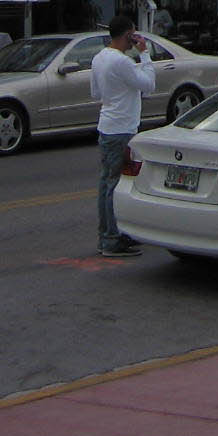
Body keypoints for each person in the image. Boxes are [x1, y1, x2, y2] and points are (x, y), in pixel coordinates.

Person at [90, 16, 158, 258]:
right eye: (133, 34)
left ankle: (112, 232)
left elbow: (95, 92)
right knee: (114, 184)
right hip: (122, 127)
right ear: (127, 34)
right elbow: (149, 84)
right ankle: (110, 238)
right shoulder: (122, 62)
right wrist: (145, 54)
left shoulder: (99, 58)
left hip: (108, 123)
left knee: (108, 183)